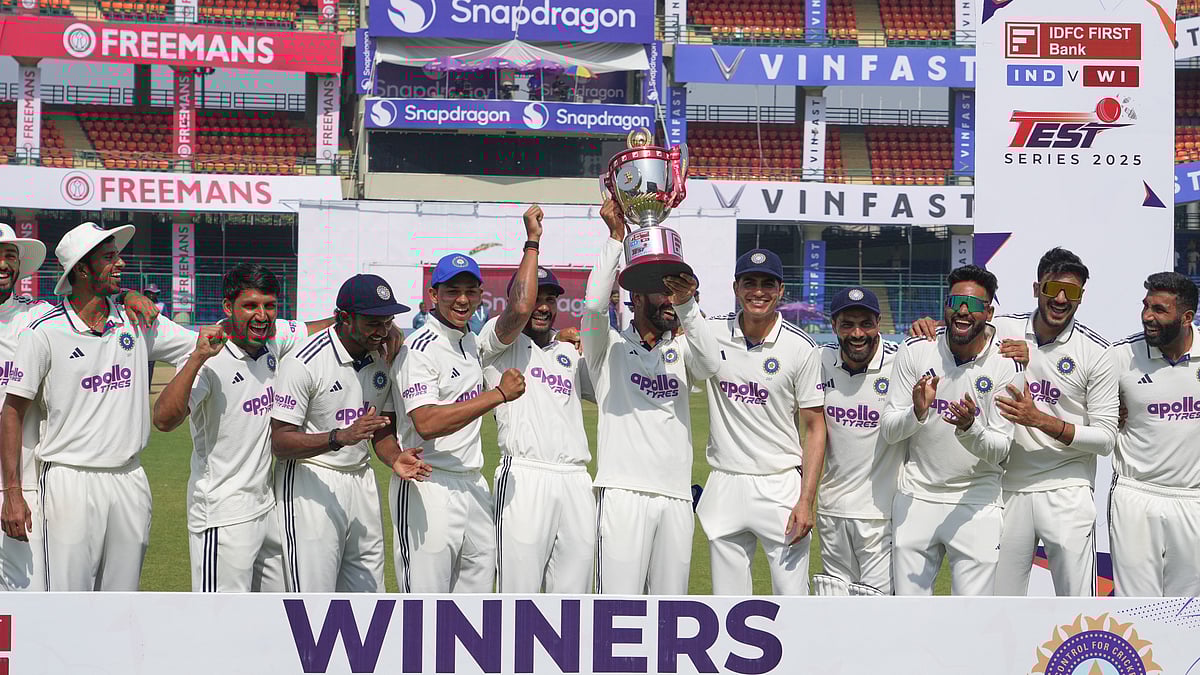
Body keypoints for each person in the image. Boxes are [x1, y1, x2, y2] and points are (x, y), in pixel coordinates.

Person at [0, 222, 196, 591]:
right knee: (64, 602)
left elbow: (199, 345)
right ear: (81, 268)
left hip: (127, 477)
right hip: (68, 479)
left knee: (121, 602)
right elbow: (12, 410)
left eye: (117, 255)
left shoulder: (134, 321)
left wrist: (128, 297)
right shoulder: (45, 330)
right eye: (109, 257)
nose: (120, 263)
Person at [911, 248, 1117, 597]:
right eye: (1052, 290)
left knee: (1078, 605)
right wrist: (927, 326)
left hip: (1066, 487)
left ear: (1082, 297)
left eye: (1073, 293)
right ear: (1037, 289)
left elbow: (1106, 439)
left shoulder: (1095, 351)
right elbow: (958, 333)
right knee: (1001, 606)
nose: (1061, 300)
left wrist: (1040, 420)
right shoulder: (1002, 328)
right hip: (1009, 489)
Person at [151, 264, 335, 592]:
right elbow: (164, 420)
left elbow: (319, 329)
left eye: (269, 306)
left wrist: (367, 320)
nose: (262, 315)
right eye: (250, 306)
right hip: (222, 513)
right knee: (219, 622)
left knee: (277, 616)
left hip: (269, 507)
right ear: (228, 307)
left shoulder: (275, 337)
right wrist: (195, 359)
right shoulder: (209, 356)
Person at [583, 199, 719, 595]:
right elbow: (593, 305)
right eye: (661, 293)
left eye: (672, 292)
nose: (669, 300)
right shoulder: (605, 348)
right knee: (614, 610)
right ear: (637, 298)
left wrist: (688, 304)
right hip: (622, 494)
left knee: (669, 615)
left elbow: (710, 366)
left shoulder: (682, 350)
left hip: (676, 498)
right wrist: (614, 239)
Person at [269, 274, 430, 592]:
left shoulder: (383, 358)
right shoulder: (303, 362)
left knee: (370, 594)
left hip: (361, 482)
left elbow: (381, 431)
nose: (382, 332)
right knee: (313, 599)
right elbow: (280, 441)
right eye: (373, 323)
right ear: (344, 318)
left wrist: (395, 458)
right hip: (311, 482)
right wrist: (338, 437)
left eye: (387, 322)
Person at [881, 265, 1020, 595]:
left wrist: (970, 428)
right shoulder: (917, 349)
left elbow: (1001, 448)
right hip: (918, 495)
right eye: (956, 301)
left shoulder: (1005, 363)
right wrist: (917, 412)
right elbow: (889, 430)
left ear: (989, 313)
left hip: (977, 500)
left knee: (972, 618)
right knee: (909, 615)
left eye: (973, 305)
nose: (962, 310)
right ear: (945, 305)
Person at [695, 249, 825, 595]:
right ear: (736, 288)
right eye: (749, 283)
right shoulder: (710, 333)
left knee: (793, 600)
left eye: (768, 284)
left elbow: (815, 428)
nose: (758, 291)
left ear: (781, 291)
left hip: (779, 484)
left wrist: (805, 500)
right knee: (728, 605)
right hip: (725, 481)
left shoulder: (801, 348)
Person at [480, 205, 596, 593]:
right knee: (518, 595)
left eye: (551, 298)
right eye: (537, 296)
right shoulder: (497, 346)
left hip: (576, 479)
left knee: (574, 598)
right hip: (525, 477)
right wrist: (533, 242)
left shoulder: (568, 353)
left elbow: (609, 391)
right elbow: (520, 308)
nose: (543, 306)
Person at [392, 253, 523, 592]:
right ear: (433, 296)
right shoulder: (418, 349)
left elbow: (518, 313)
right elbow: (427, 421)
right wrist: (497, 395)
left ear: (480, 295)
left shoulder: (471, 343)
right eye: (452, 291)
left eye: (470, 291)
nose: (462, 300)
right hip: (428, 482)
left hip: (473, 484)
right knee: (424, 601)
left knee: (476, 598)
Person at [1107, 272, 1200, 596]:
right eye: (1146, 307)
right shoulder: (1120, 356)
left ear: (1187, 317)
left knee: (1188, 614)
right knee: (1136, 612)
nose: (1148, 316)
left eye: (1160, 310)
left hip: (1193, 498)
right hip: (1136, 494)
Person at [814, 286, 904, 595]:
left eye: (865, 323)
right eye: (847, 324)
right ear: (834, 325)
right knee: (835, 604)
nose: (857, 333)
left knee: (876, 610)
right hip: (831, 511)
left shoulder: (900, 364)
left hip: (880, 515)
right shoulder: (819, 360)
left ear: (879, 323)